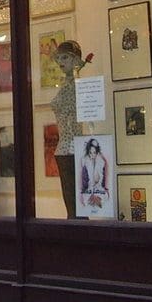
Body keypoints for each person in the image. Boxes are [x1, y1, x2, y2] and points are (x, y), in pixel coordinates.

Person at [51, 40, 91, 218]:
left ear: (75, 60)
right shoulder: (65, 85)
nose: (61, 62)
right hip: (64, 148)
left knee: (78, 205)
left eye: (65, 57)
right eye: (59, 58)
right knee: (72, 205)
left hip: (75, 147)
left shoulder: (78, 86)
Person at [79, 137, 109, 211]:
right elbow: (83, 182)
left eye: (94, 152)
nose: (92, 155)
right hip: (88, 192)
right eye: (90, 152)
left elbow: (104, 182)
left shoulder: (101, 163)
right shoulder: (85, 163)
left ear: (97, 153)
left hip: (100, 192)